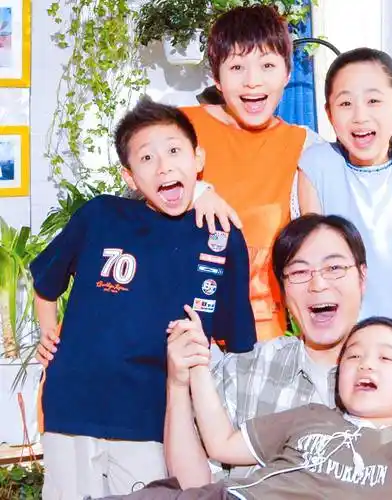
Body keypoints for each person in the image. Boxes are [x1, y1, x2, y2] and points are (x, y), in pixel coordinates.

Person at [30, 97, 256, 499]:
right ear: (130, 177)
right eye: (147, 158)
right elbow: (45, 285)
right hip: (71, 409)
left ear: (198, 159)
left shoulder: (222, 236)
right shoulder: (100, 216)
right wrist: (48, 334)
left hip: (153, 421)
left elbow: (235, 344)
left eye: (174, 151)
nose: (164, 166)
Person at [183, 5, 392, 342]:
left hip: (265, 335)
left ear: (287, 73)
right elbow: (141, 172)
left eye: (267, 66)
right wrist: (198, 191)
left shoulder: (303, 145)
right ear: (217, 78)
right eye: (236, 67)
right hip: (186, 326)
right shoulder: (181, 128)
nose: (252, 81)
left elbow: (359, 142)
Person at [163, 215, 392, 484]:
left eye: (334, 268)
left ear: (362, 277)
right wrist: (177, 384)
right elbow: (194, 486)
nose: (318, 285)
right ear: (282, 289)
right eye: (299, 272)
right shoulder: (243, 371)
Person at [96, 317, 392, 500]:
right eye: (353, 356)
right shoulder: (313, 416)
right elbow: (221, 444)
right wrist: (199, 368)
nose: (366, 364)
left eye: (385, 358)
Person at [298, 47, 392, 356]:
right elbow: (319, 266)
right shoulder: (316, 165)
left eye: (374, 101)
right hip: (348, 341)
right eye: (345, 103)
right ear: (329, 113)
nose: (360, 116)